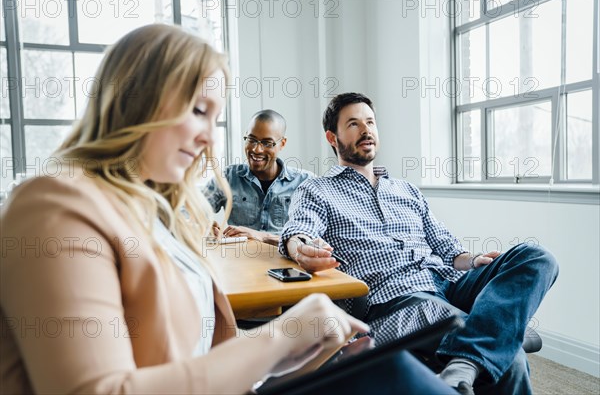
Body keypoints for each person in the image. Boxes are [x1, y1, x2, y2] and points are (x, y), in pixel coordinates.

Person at [0, 27, 457, 394]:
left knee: (387, 368)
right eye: (198, 110)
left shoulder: (160, 217)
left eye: (215, 119)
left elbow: (204, 361)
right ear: (136, 99)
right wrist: (280, 336)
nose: (209, 137)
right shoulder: (53, 207)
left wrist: (302, 350)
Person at [279, 92, 559, 395]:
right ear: (332, 137)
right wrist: (300, 248)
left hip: (450, 282)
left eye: (370, 122)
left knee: (537, 258)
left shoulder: (406, 189)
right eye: (354, 124)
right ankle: (471, 358)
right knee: (511, 359)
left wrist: (471, 259)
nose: (366, 130)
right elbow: (299, 229)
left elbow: (447, 248)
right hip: (400, 298)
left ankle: (465, 360)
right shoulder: (317, 191)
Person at [203, 110, 313, 245]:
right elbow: (190, 208)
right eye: (252, 140)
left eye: (267, 143)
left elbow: (309, 239)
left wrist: (262, 236)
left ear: (282, 144)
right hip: (241, 262)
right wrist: (203, 224)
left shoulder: (305, 182)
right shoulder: (229, 176)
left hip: (285, 264)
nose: (257, 149)